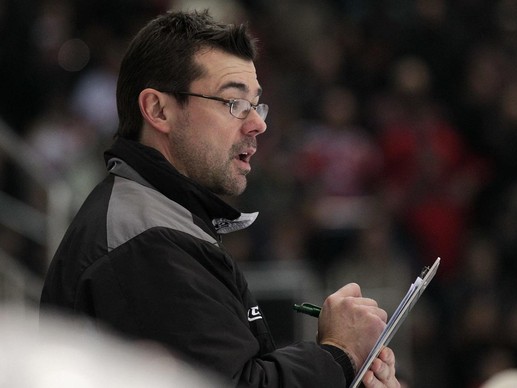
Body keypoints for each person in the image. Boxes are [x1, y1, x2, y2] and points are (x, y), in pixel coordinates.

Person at [40, 10, 400, 388]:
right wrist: (338, 354)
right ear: (158, 110)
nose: (258, 123)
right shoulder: (145, 240)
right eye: (234, 103)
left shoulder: (160, 220)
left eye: (256, 104)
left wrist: (344, 367)